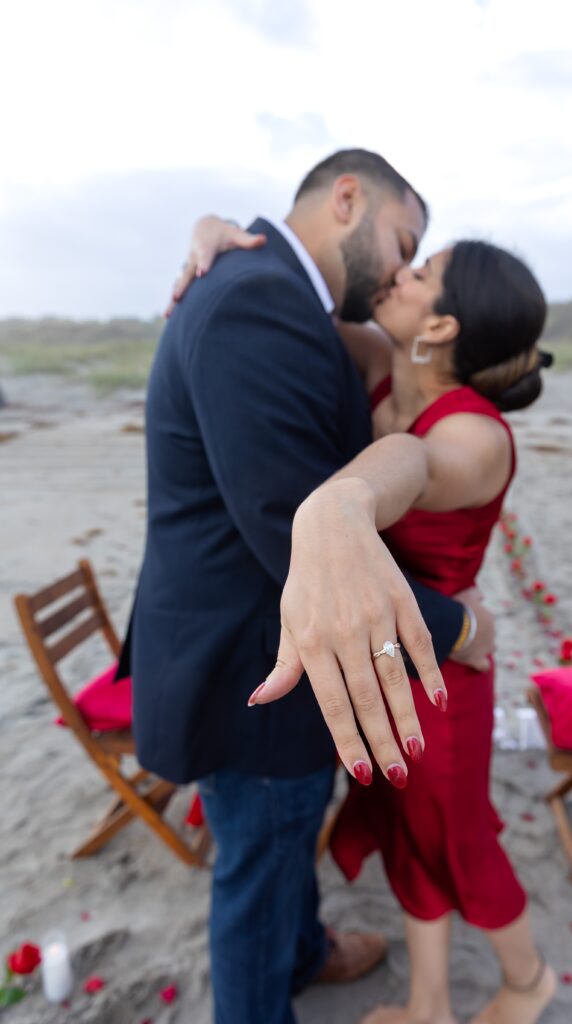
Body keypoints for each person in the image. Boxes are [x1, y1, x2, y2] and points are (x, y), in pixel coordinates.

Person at [123, 149, 494, 1024]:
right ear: (347, 199)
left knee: (288, 843)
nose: (402, 268)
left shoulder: (285, 297)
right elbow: (298, 527)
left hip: (267, 643)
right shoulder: (257, 296)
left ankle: (305, 951)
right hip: (246, 660)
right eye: (404, 242)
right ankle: (270, 983)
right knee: (256, 869)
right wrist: (460, 630)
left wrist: (216, 228)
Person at [179, 221, 556, 1023]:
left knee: (457, 837)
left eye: (423, 271)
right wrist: (228, 233)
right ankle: (428, 1006)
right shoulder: (387, 364)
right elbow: (290, 299)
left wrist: (343, 502)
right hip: (388, 653)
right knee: (407, 828)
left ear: (444, 325)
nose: (399, 274)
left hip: (443, 669)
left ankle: (527, 981)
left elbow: (413, 465)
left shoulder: (475, 434)